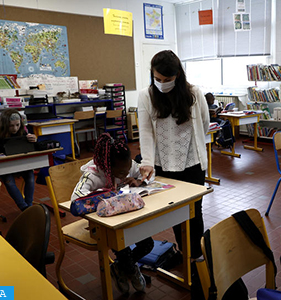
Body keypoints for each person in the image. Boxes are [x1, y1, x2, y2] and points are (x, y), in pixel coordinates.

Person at [138, 50, 209, 259]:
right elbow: (145, 131)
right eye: (157, 78)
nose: (162, 83)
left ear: (178, 75)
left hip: (192, 162)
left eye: (167, 79)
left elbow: (204, 124)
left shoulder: (194, 93)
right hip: (163, 163)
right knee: (175, 213)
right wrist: (148, 162)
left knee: (194, 212)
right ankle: (185, 252)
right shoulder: (146, 95)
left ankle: (197, 256)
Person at [70, 133, 153, 294]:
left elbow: (147, 174)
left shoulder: (127, 165)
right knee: (124, 249)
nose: (126, 174)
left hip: (128, 219)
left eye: (128, 170)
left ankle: (118, 268)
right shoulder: (92, 175)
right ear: (107, 167)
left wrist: (139, 181)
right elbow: (76, 199)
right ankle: (129, 268)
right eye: (121, 173)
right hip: (103, 226)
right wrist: (106, 196)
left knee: (147, 244)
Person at [0, 109, 37, 211]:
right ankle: (24, 208)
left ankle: (29, 206)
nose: (15, 128)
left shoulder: (22, 131)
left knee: (30, 177)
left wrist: (33, 140)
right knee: (9, 181)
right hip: (4, 164)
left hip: (21, 162)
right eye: (11, 126)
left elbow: (29, 147)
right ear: (5, 124)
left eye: (17, 124)